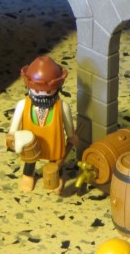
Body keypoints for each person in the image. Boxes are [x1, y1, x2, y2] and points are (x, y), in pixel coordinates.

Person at [6, 55, 78, 192]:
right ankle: (28, 175)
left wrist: (71, 136)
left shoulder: (62, 107)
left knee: (56, 161)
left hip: (53, 141)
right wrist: (12, 135)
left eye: (48, 91)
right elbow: (14, 126)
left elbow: (68, 124)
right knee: (30, 160)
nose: (42, 94)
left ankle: (56, 177)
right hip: (31, 142)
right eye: (37, 90)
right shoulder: (23, 105)